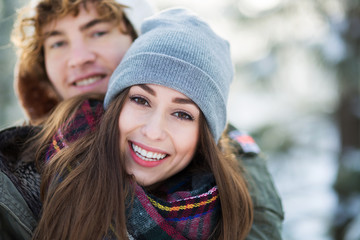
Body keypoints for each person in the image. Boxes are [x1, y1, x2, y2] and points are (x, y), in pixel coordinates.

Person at [0, 0, 284, 239]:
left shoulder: (230, 162)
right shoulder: (19, 164)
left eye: (98, 32)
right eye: (58, 42)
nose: (78, 58)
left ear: (135, 39)